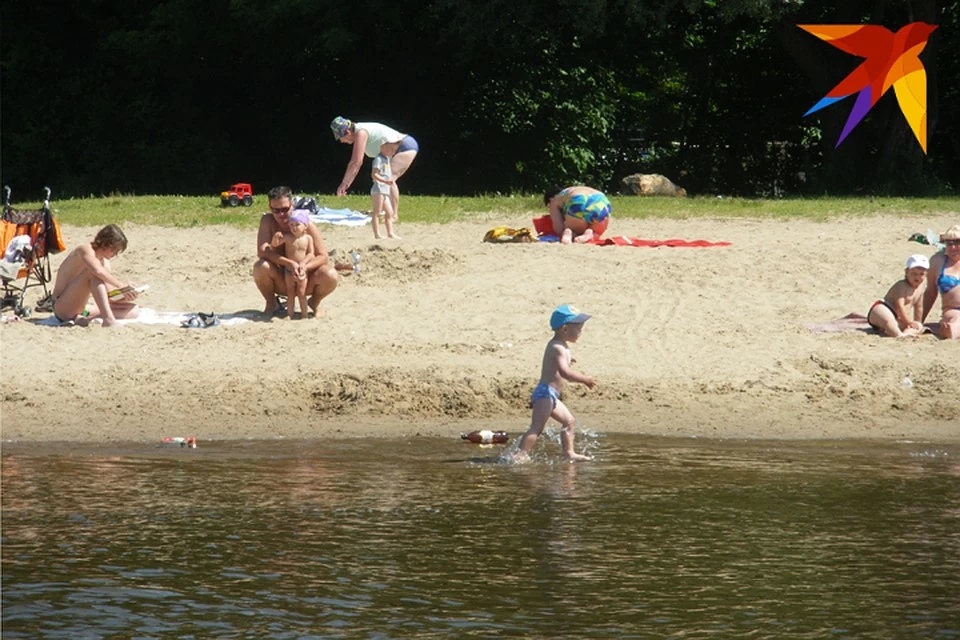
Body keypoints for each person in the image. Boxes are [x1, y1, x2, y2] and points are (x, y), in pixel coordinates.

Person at [514, 304, 596, 462]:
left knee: (569, 421)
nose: (581, 332)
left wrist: (569, 358)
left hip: (552, 396)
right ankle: (519, 455)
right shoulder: (557, 347)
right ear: (565, 329)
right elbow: (565, 373)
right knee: (536, 428)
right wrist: (584, 379)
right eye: (578, 328)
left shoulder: (562, 347)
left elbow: (559, 363)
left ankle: (568, 452)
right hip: (545, 393)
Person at [253, 186, 338, 318]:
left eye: (285, 209)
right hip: (283, 277)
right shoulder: (268, 221)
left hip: (304, 278)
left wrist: (304, 266)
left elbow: (323, 256)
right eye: (276, 210)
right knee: (260, 267)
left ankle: (314, 302)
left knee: (330, 275)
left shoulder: (304, 224)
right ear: (270, 208)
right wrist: (288, 263)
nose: (281, 214)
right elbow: (262, 251)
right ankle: (271, 304)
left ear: (292, 205)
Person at [51, 224, 140, 327]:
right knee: (91, 273)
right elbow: (96, 271)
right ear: (106, 244)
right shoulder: (85, 250)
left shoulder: (104, 262)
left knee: (134, 310)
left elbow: (108, 294)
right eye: (114, 250)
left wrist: (125, 294)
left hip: (82, 308)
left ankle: (83, 318)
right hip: (62, 306)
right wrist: (121, 285)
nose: (115, 254)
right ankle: (108, 320)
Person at [330, 116, 419, 219]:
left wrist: (344, 184)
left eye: (341, 137)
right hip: (400, 147)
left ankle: (393, 215)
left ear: (348, 132)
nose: (342, 141)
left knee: (388, 179)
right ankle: (382, 211)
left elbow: (356, 162)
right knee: (379, 179)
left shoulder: (361, 132)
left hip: (404, 147)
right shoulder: (361, 131)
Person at [866, 254, 929, 337]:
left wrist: (917, 323)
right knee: (889, 321)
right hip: (884, 308)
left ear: (926, 275)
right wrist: (908, 322)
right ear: (906, 272)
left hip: (898, 318)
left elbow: (919, 307)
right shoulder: (902, 286)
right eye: (914, 273)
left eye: (921, 274)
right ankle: (898, 334)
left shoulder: (920, 288)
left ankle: (905, 334)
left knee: (918, 326)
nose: (917, 277)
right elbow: (899, 306)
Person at [269, 210, 315, 319]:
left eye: (297, 225)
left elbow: (311, 254)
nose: (294, 228)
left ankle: (304, 314)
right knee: (290, 293)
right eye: (291, 225)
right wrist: (275, 238)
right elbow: (274, 245)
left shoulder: (308, 238)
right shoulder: (288, 237)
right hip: (289, 271)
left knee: (301, 293)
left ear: (305, 226)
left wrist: (304, 263)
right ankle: (290, 314)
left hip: (302, 271)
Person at [922, 224, 960, 339]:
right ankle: (951, 331)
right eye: (949, 243)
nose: (953, 247)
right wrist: (919, 320)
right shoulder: (937, 261)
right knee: (956, 319)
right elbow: (930, 293)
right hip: (953, 310)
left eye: (957, 243)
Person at [543, 185, 612, 244]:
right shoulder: (572, 190)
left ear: (550, 199)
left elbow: (558, 228)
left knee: (571, 229)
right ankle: (590, 233)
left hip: (578, 200)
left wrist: (562, 230)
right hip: (602, 201)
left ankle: (569, 232)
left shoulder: (554, 200)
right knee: (596, 231)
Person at [369, 152, 400, 240]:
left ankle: (390, 233)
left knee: (389, 212)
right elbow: (374, 175)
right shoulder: (378, 159)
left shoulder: (387, 159)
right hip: (379, 188)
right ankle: (377, 234)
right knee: (377, 212)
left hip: (385, 189)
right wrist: (385, 181)